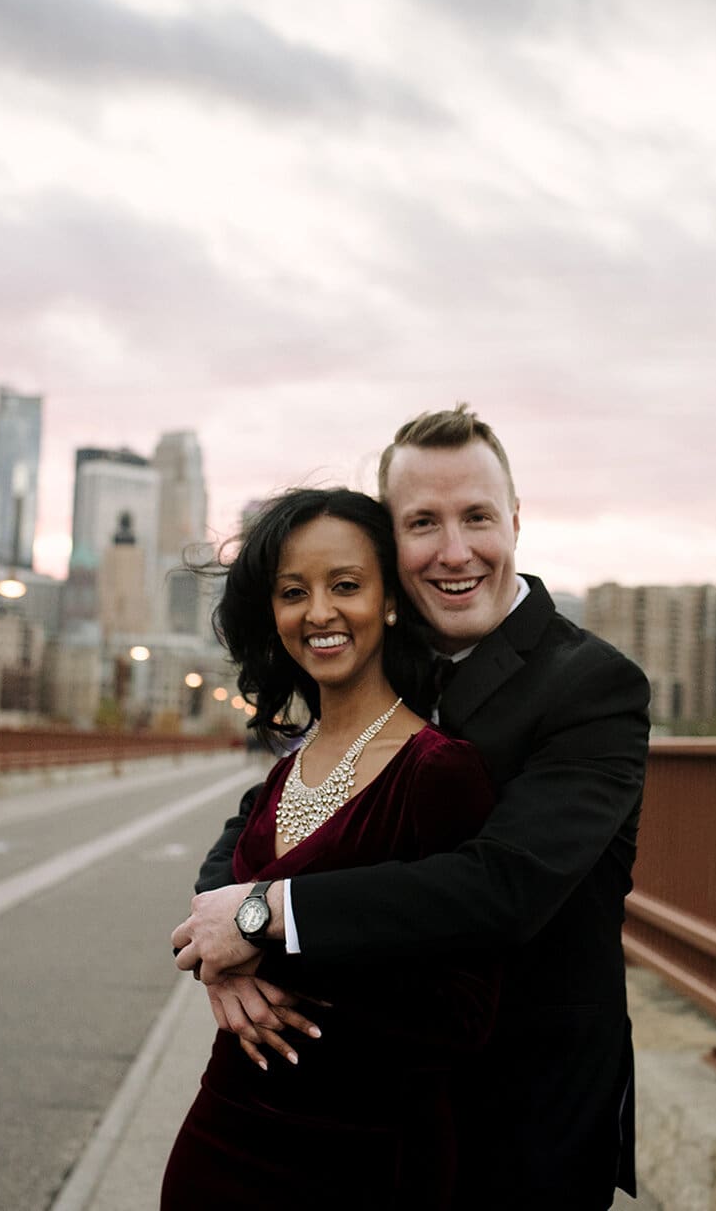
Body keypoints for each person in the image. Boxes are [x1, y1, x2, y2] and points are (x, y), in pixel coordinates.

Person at [173, 406, 651, 1209]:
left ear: (516, 522)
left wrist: (260, 914)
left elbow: (503, 885)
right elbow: (265, 814)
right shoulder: (389, 662)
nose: (455, 550)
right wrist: (220, 937)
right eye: (423, 522)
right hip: (371, 1120)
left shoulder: (591, 684)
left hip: (521, 1115)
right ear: (392, 546)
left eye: (477, 517)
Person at [160, 488, 498, 1211]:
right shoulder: (288, 767)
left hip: (366, 1157)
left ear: (391, 602)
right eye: (293, 591)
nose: (318, 611)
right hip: (223, 1135)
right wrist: (223, 969)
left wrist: (263, 947)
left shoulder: (438, 769)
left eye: (345, 585)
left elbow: (466, 1009)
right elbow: (213, 917)